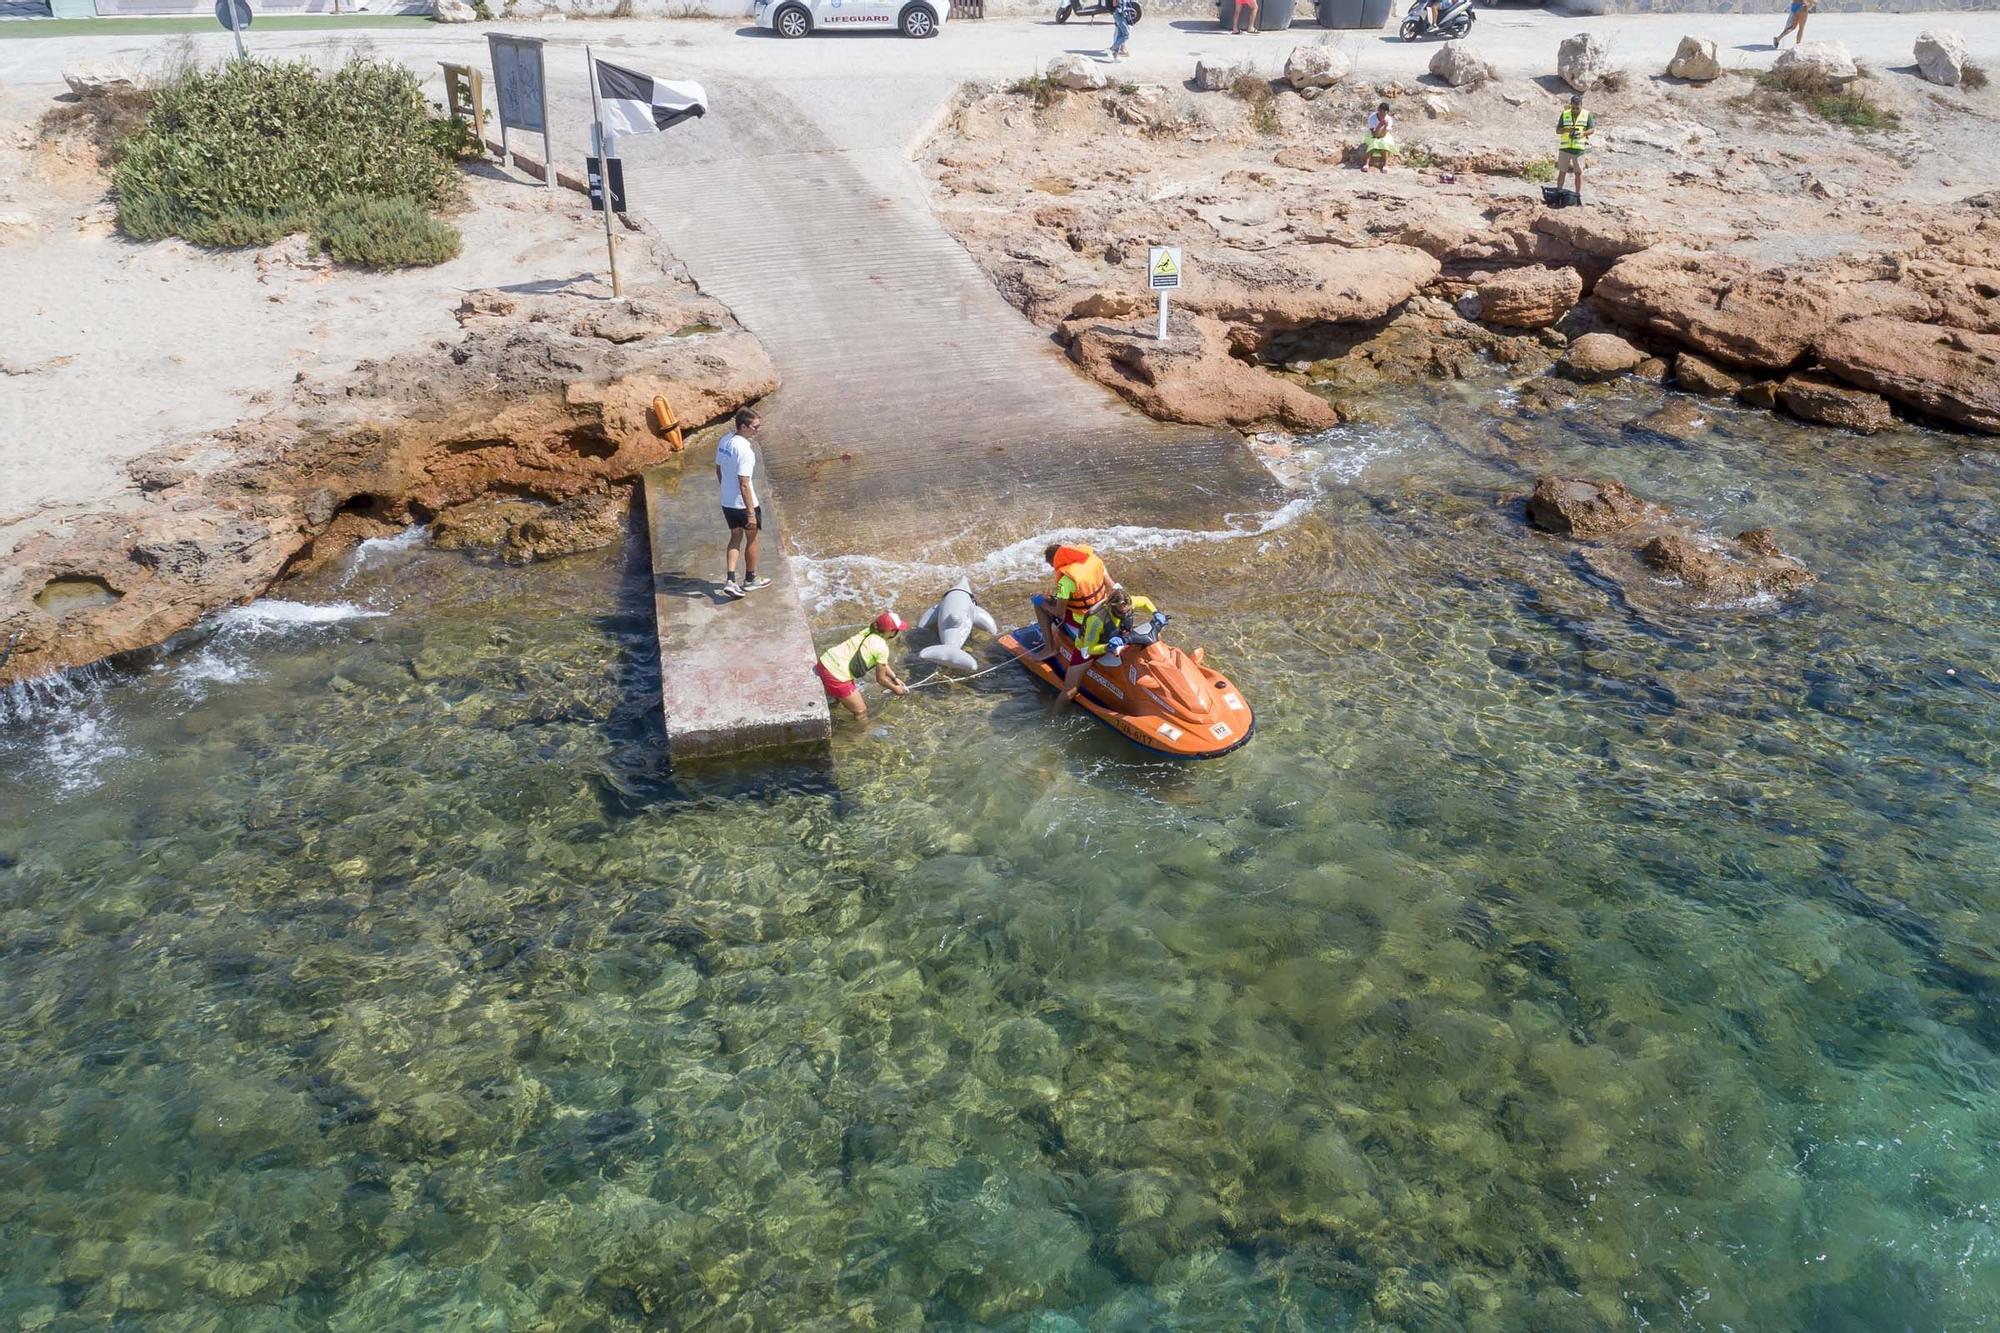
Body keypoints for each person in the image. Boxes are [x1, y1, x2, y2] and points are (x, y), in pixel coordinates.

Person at [1055, 585, 1158, 711]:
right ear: (1112, 607)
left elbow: (1145, 600)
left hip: (1119, 638)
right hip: (1091, 648)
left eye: (1127, 611)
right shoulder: (1096, 620)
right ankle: (1054, 714)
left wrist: (1156, 613)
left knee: (1154, 638)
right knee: (1069, 692)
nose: (1125, 615)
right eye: (1121, 613)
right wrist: (1108, 647)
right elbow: (1089, 649)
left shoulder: (1127, 603)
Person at [715, 408, 771, 598]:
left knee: (735, 537)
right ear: (744, 426)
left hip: (727, 502)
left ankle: (730, 580)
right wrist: (750, 513)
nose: (758, 430)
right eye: (755, 427)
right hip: (744, 505)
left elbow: (718, 468)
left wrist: (725, 490)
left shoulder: (725, 441)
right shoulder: (745, 451)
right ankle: (750, 579)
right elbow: (744, 484)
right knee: (752, 539)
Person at [814, 612, 909, 721]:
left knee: (839, 698)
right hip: (836, 676)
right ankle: (858, 736)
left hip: (825, 661)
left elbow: (882, 663)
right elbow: (881, 679)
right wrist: (895, 688)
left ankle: (833, 710)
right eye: (897, 630)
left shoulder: (868, 631)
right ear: (891, 632)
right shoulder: (882, 648)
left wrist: (894, 678)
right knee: (861, 711)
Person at [1031, 541, 1110, 663]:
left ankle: (1049, 648)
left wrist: (1042, 602)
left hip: (1083, 620)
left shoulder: (1065, 581)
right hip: (1104, 611)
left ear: (1056, 562)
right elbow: (1112, 586)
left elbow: (1058, 612)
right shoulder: (1094, 562)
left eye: (1053, 566)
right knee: (1048, 599)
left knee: (1038, 601)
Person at [1555, 92, 1595, 204]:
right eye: (1573, 107)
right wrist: (1568, 130)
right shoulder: (1565, 114)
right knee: (1562, 171)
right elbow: (1558, 130)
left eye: (1577, 108)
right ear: (1570, 105)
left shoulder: (1587, 115)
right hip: (1565, 148)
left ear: (1581, 105)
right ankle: (1559, 193)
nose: (1575, 110)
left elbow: (1592, 130)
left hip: (1578, 149)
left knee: (1578, 173)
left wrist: (1582, 133)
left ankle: (1577, 196)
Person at [1363, 101, 1395, 172]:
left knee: (1384, 143)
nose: (1382, 115)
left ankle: (1386, 164)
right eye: (1381, 112)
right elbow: (1374, 134)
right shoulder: (1372, 118)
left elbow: (1383, 134)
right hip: (1372, 133)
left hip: (1383, 134)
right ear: (1378, 110)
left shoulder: (1388, 119)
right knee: (1373, 142)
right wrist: (1379, 125)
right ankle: (1366, 164)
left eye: (1384, 113)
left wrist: (1384, 127)